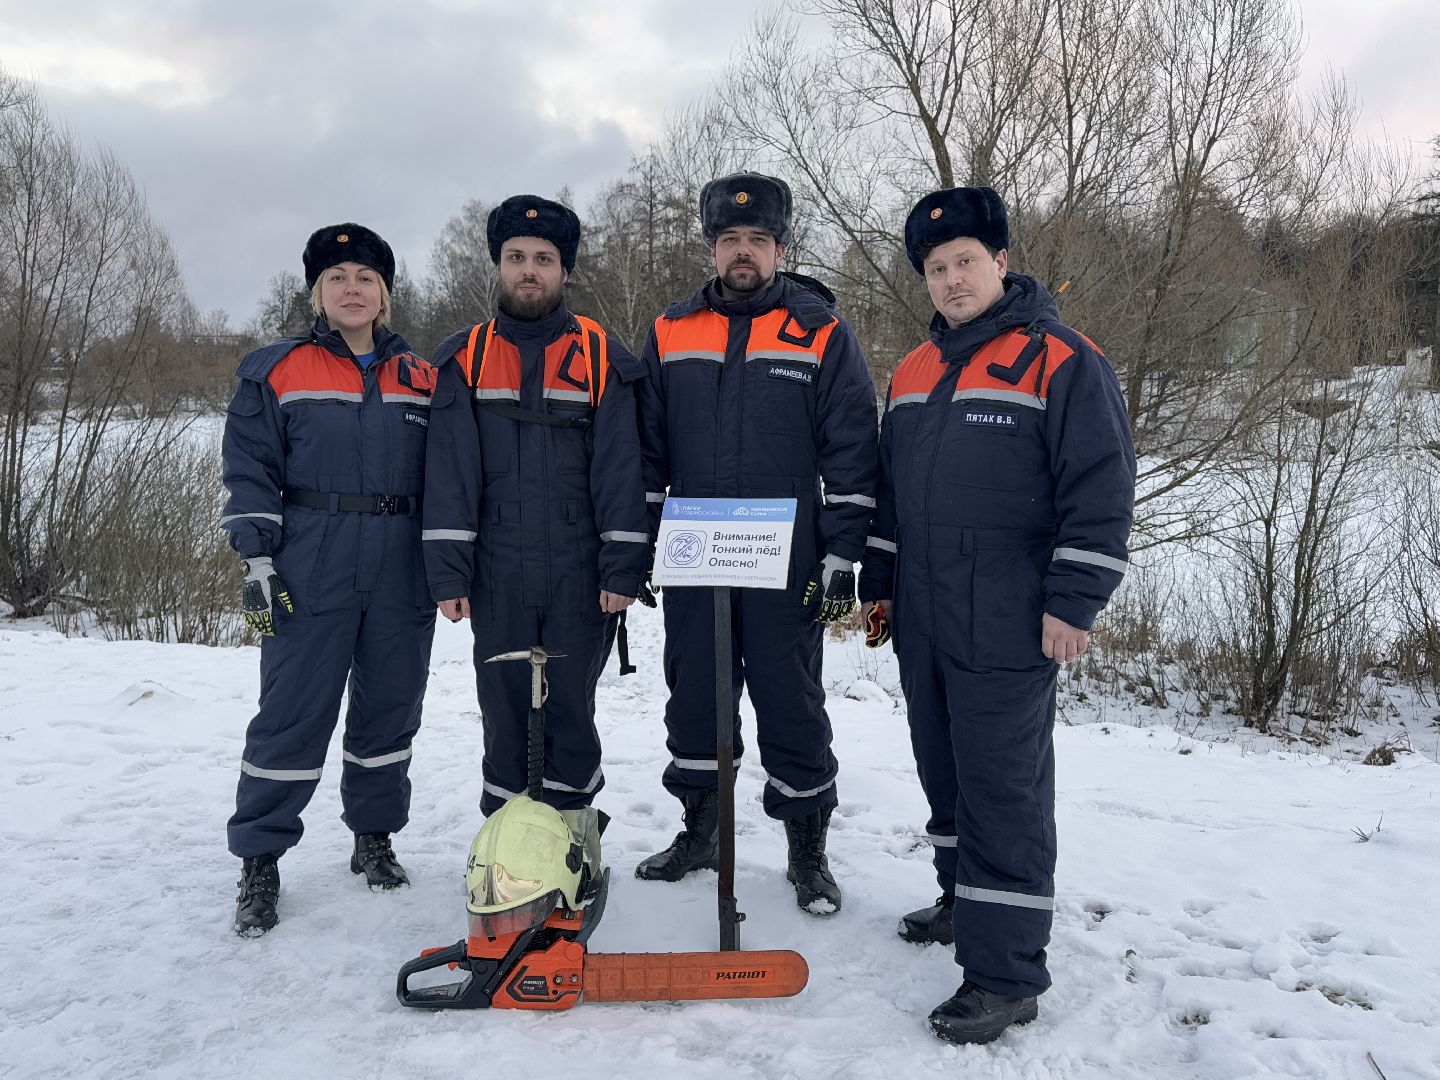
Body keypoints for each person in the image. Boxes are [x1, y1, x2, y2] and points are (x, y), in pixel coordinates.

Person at [859, 187, 1136, 1043]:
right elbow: (891, 495)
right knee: (943, 770)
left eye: (966, 261)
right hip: (924, 616)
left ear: (1002, 262)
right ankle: (960, 902)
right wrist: (879, 587)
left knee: (1003, 789)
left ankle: (1006, 975)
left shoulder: (1063, 359)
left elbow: (1100, 490)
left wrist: (1073, 601)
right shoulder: (913, 370)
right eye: (936, 268)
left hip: (1010, 618)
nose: (951, 279)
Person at [633, 172, 878, 915]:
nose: (744, 251)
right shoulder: (671, 330)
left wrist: (842, 553)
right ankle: (702, 830)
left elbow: (852, 448)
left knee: (790, 696)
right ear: (711, 248)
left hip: (788, 550)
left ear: (781, 248)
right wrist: (638, 542)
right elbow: (645, 447)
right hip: (694, 546)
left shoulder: (821, 332)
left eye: (759, 239)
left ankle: (807, 848)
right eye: (730, 238)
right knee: (695, 695)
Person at [221, 223, 438, 937]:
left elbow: (453, 474)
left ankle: (373, 837)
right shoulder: (276, 370)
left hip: (401, 564)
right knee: (292, 712)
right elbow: (249, 470)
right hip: (310, 560)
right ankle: (260, 857)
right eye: (337, 277)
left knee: (390, 710)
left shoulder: (423, 378)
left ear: (385, 294)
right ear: (317, 292)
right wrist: (257, 560)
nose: (353, 288)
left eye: (366, 277)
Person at [422, 195, 650, 821]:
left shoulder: (601, 355)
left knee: (571, 705)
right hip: (497, 570)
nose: (529, 270)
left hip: (580, 568)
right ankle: (508, 837)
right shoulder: (464, 358)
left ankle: (573, 832)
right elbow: (450, 475)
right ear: (499, 266)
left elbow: (621, 471)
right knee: (503, 706)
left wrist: (622, 567)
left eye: (543, 259)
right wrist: (449, 573)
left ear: (564, 270)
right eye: (516, 257)